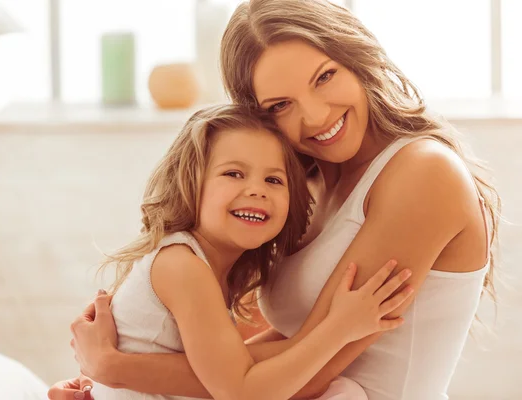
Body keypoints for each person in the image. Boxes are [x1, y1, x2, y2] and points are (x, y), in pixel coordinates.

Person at [52, 1, 500, 399]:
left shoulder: (422, 174)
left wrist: (118, 368)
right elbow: (254, 361)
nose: (316, 115)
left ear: (357, 58)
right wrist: (111, 386)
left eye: (325, 77)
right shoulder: (301, 190)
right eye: (280, 105)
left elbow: (306, 376)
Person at [48, 104, 413, 400]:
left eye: (273, 180)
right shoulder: (181, 266)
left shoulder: (211, 269)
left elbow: (238, 366)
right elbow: (241, 389)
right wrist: (338, 328)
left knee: (341, 391)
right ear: (192, 183)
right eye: (234, 174)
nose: (257, 190)